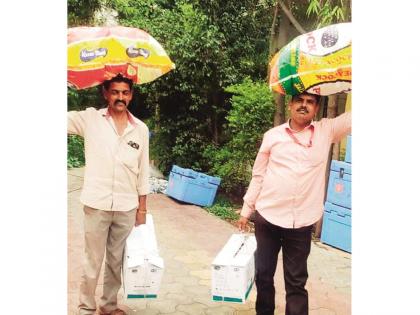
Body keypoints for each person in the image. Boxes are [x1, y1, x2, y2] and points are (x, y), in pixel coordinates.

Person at [237, 92, 351, 315]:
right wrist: (246, 210)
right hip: (267, 217)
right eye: (299, 100)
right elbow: (258, 175)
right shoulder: (272, 136)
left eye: (310, 102)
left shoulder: (326, 131)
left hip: (301, 222)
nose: (304, 105)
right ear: (290, 105)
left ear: (316, 108)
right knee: (263, 274)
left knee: (296, 282)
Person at [68, 74, 150, 315]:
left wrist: (142, 209)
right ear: (106, 93)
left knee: (116, 261)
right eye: (115, 92)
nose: (120, 97)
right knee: (93, 260)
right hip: (96, 203)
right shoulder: (90, 119)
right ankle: (85, 307)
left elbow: (143, 171)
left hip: (126, 205)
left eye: (125, 92)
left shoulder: (140, 129)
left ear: (131, 95)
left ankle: (108, 305)